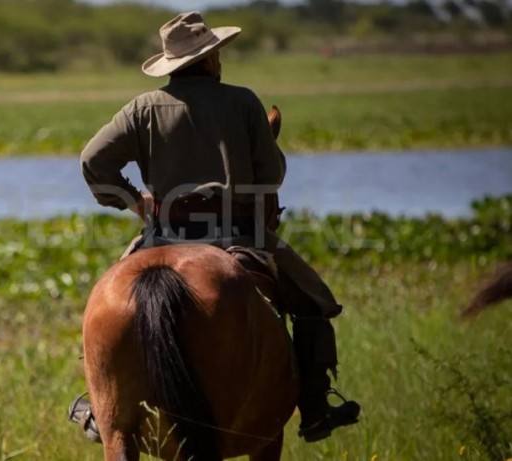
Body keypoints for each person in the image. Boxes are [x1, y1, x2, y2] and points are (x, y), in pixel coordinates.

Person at [69, 11, 360, 443]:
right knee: (313, 300)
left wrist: (135, 202)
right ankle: (316, 407)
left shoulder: (142, 108)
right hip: (239, 234)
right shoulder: (243, 102)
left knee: (113, 297)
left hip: (162, 234)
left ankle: (101, 403)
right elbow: (271, 176)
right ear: (209, 60)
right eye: (217, 54)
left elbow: (93, 162)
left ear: (173, 64)